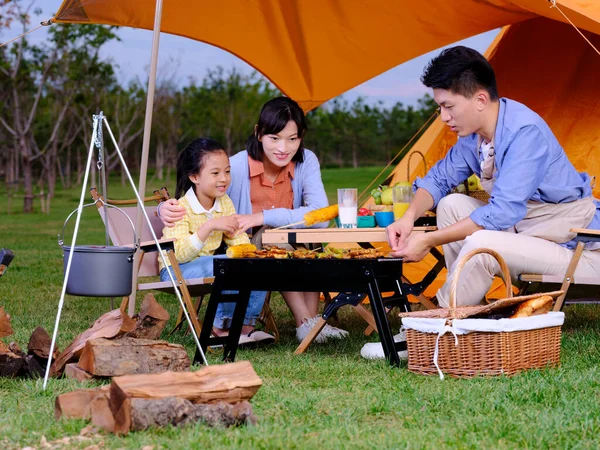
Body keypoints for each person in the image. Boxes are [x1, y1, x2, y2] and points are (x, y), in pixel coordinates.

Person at [363, 45, 600, 360]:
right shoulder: (474, 139)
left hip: (576, 245)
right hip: (528, 231)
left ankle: (425, 333)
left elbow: (501, 213)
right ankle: (461, 320)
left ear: (479, 99)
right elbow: (436, 181)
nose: (444, 117)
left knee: (482, 240)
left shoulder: (524, 132)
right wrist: (407, 220)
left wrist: (428, 240)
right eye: (439, 108)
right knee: (450, 205)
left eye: (448, 106)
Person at [159, 97, 349, 343]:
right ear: (259, 133)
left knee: (308, 239)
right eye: (275, 138)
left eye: (293, 139)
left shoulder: (306, 160)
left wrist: (261, 216)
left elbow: (319, 216)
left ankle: (311, 323)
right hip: (243, 245)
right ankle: (306, 324)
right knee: (271, 244)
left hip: (280, 240)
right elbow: (197, 194)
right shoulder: (235, 167)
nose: (284, 148)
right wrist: (163, 207)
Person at [159, 137, 274, 346]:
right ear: (194, 176)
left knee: (257, 263)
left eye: (227, 171)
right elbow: (179, 255)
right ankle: (219, 329)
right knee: (226, 265)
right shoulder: (180, 208)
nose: (224, 179)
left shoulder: (224, 202)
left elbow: (236, 236)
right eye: (215, 173)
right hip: (175, 268)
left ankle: (245, 327)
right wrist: (209, 226)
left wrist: (251, 255)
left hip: (209, 266)